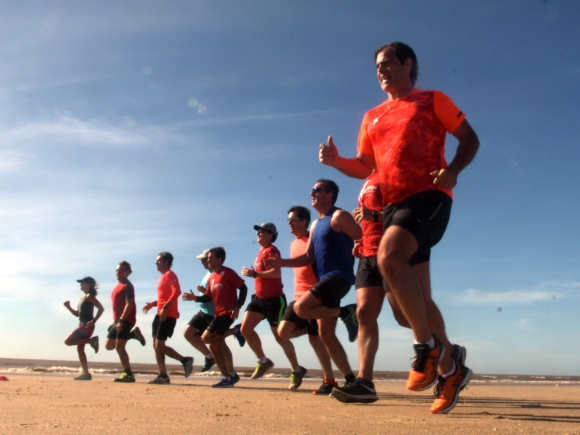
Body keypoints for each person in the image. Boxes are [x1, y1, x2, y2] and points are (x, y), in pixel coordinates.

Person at [319, 41, 479, 413]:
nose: (380, 70)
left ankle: (426, 348)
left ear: (408, 64)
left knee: (390, 258)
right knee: (413, 305)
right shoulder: (371, 115)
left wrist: (453, 171)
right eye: (376, 65)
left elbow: (470, 139)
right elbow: (364, 164)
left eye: (387, 62)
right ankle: (451, 364)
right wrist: (337, 162)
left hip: (429, 195)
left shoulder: (433, 99)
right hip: (393, 207)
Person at [332, 172, 466, 403]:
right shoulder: (367, 180)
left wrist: (373, 215)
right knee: (364, 314)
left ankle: (450, 353)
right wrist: (361, 240)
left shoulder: (395, 172)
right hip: (367, 254)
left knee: (406, 317)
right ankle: (365, 383)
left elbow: (408, 215)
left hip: (392, 253)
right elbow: (368, 219)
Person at [266, 180, 361, 390]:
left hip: (339, 277)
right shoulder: (316, 224)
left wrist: (362, 250)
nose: (312, 193)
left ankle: (347, 311)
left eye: (317, 190)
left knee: (301, 308)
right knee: (326, 335)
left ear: (329, 195)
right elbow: (308, 258)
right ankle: (350, 380)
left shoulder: (339, 216)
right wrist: (281, 263)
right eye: (312, 190)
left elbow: (361, 235)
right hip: (324, 281)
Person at [277, 205, 337, 393]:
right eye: (288, 220)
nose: (289, 223)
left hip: (314, 295)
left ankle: (329, 381)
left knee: (317, 340)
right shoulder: (293, 243)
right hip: (297, 296)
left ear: (304, 221)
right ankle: (305, 328)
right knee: (282, 333)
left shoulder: (313, 238)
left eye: (293, 219)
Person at [240, 222, 304, 383]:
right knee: (245, 329)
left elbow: (275, 273)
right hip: (258, 298)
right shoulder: (260, 252)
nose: (258, 234)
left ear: (270, 234)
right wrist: (255, 275)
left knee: (280, 337)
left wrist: (254, 274)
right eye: (258, 232)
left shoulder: (272, 251)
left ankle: (297, 369)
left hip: (275, 300)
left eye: (262, 231)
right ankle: (263, 361)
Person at [188, 247, 248, 388]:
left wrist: (238, 305)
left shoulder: (228, 272)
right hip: (217, 313)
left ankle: (236, 331)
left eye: (211, 258)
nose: (208, 260)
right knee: (215, 344)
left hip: (227, 313)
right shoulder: (212, 277)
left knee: (205, 338)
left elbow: (243, 288)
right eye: (207, 258)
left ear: (219, 259)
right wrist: (195, 298)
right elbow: (208, 296)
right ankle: (227, 377)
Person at [142, 252, 194, 384]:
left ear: (166, 262)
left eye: (158, 260)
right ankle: (163, 375)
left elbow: (177, 291)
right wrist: (153, 305)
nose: (156, 263)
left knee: (159, 345)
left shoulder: (170, 274)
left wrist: (165, 308)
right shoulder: (162, 277)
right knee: (156, 345)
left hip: (168, 315)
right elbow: (163, 297)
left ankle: (185, 360)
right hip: (159, 314)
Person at [104, 261, 146, 383]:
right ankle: (133, 334)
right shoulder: (117, 287)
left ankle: (129, 374)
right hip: (118, 320)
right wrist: (115, 321)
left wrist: (121, 320)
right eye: (117, 270)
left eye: (121, 270)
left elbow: (129, 304)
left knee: (119, 347)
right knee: (108, 345)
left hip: (126, 319)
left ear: (127, 272)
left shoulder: (128, 285)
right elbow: (118, 306)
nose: (118, 272)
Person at [64, 276, 104, 381]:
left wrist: (94, 321)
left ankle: (92, 341)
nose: (80, 285)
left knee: (67, 341)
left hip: (87, 326)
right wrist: (68, 307)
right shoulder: (83, 297)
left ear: (88, 285)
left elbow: (101, 308)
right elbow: (77, 314)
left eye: (82, 283)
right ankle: (86, 373)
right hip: (82, 324)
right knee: (80, 349)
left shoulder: (89, 296)